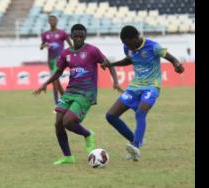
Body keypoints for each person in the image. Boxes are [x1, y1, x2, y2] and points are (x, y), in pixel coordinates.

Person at [33, 24, 123, 165]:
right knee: (58, 123)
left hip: (86, 92)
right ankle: (68, 157)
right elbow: (58, 72)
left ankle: (88, 134)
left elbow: (108, 64)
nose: (79, 39)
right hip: (70, 92)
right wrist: (45, 84)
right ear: (72, 36)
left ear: (85, 36)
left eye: (82, 36)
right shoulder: (66, 53)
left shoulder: (92, 50)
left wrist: (115, 82)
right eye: (76, 36)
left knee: (68, 122)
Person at [102, 25, 184, 161]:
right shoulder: (127, 47)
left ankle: (136, 146)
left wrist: (177, 65)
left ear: (136, 38)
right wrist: (112, 64)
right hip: (134, 87)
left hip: (151, 86)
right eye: (124, 44)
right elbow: (129, 59)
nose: (127, 46)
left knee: (140, 112)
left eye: (128, 43)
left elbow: (172, 58)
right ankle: (135, 140)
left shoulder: (153, 46)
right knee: (111, 115)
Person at [40, 15, 73, 105]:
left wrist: (72, 54)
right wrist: (44, 45)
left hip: (59, 59)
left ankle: (57, 103)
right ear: (48, 22)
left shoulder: (62, 33)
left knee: (54, 80)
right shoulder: (45, 34)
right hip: (50, 60)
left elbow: (71, 45)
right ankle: (64, 99)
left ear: (57, 21)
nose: (52, 21)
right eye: (50, 20)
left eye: (54, 20)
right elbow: (41, 46)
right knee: (56, 81)